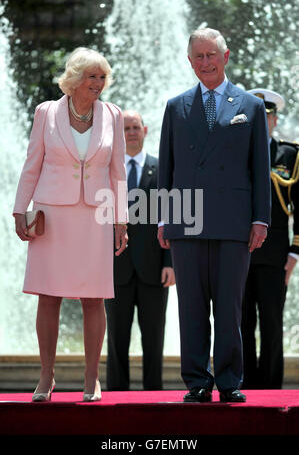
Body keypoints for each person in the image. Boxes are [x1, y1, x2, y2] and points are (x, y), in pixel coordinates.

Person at [157, 28, 271, 403]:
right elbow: (168, 169)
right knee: (190, 307)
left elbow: (258, 168)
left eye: (211, 55)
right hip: (187, 221)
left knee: (228, 307)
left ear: (226, 56)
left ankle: (229, 380)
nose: (205, 63)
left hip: (233, 221)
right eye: (198, 57)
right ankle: (196, 381)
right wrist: (163, 218)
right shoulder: (176, 107)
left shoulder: (250, 106)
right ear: (190, 62)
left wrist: (261, 219)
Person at [13, 47, 128, 402]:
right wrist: (20, 209)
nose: (98, 83)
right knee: (48, 297)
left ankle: (91, 379)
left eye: (102, 77)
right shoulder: (46, 112)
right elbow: (33, 163)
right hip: (53, 214)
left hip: (96, 216)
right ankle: (46, 378)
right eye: (91, 76)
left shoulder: (113, 114)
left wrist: (122, 219)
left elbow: (117, 170)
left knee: (94, 299)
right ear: (75, 79)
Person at [105, 110, 175, 390]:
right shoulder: (107, 172)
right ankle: (114, 399)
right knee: (116, 340)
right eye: (126, 128)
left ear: (145, 130)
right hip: (115, 269)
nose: (131, 132)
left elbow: (172, 219)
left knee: (154, 340)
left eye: (135, 127)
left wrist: (171, 262)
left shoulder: (163, 169)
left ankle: (153, 398)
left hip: (155, 270)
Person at [242, 88, 299, 389]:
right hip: (239, 250)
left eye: (266, 118)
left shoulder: (289, 154)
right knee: (241, 323)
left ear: (275, 120)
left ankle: (271, 388)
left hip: (276, 254)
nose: (262, 123)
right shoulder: (236, 153)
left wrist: (295, 252)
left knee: (272, 323)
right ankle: (244, 385)